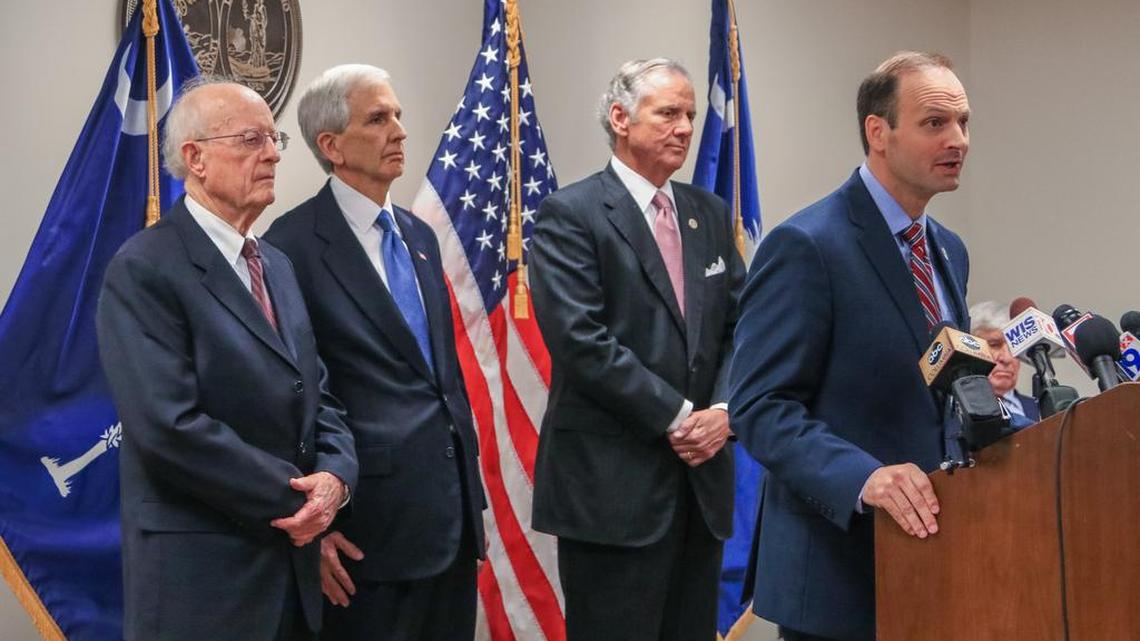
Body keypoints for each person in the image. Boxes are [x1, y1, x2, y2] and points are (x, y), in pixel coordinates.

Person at [96, 78, 357, 641]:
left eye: (273, 138)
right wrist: (299, 497)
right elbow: (169, 427)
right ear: (196, 159)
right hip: (203, 585)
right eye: (250, 139)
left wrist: (336, 478)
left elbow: (317, 393)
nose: (272, 154)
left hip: (291, 578)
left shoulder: (278, 267)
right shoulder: (145, 268)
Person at [729, 52, 972, 641]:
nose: (959, 140)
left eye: (965, 122)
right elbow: (760, 407)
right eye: (936, 123)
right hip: (839, 573)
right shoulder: (807, 245)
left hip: (933, 564)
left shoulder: (948, 249)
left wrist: (981, 386)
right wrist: (866, 478)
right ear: (877, 132)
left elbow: (923, 377)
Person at [264, 64, 485, 641]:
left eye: (398, 115)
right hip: (363, 531)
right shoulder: (287, 248)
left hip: (450, 517)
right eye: (378, 118)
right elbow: (290, 397)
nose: (400, 130)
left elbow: (440, 378)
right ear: (331, 146)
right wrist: (312, 528)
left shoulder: (419, 235)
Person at [529, 58, 745, 641]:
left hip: (700, 492)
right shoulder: (569, 215)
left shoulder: (708, 212)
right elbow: (581, 340)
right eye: (668, 113)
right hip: (612, 495)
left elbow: (740, 327)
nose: (684, 128)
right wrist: (679, 418)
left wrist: (722, 414)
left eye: (691, 116)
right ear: (621, 118)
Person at [969, 301, 1040, 421]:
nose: (1007, 358)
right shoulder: (953, 408)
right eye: (994, 345)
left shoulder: (1040, 410)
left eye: (1014, 347)